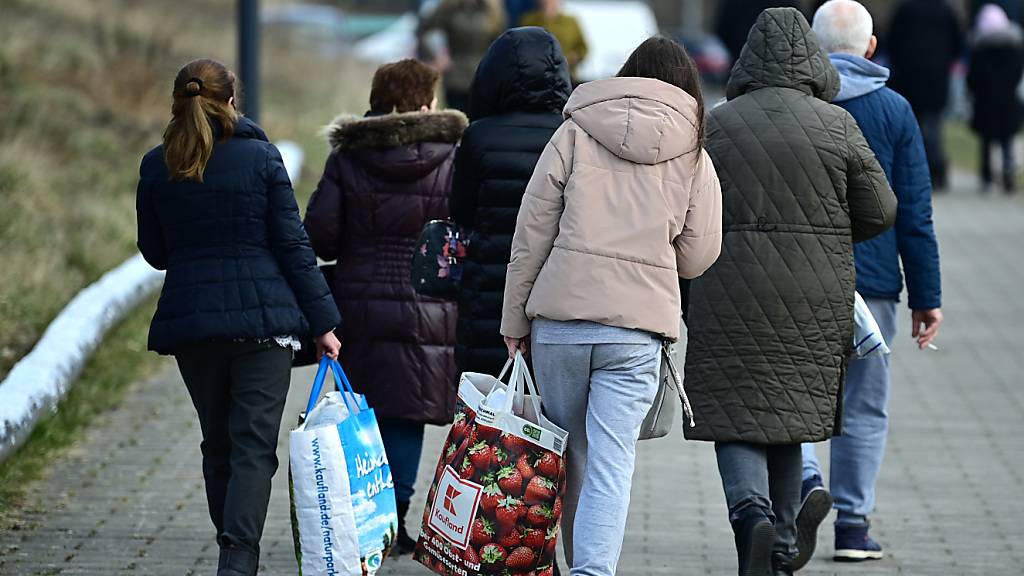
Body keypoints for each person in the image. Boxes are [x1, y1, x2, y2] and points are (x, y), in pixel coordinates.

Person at [683, 8, 898, 576]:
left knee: (735, 414)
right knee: (789, 414)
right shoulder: (838, 125)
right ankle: (779, 541)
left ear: (748, 61)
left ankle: (751, 516)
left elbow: (686, 208)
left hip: (725, 286)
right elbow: (882, 210)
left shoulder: (717, 124)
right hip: (814, 292)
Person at [501, 36, 723, 576]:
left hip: (561, 322)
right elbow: (696, 257)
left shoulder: (573, 132)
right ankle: (593, 571)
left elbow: (532, 233)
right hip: (637, 330)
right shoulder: (694, 151)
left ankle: (553, 561)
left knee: (565, 456)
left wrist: (514, 320)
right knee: (610, 461)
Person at [136, 59, 341, 576]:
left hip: (194, 326)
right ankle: (237, 558)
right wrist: (324, 323)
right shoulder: (262, 158)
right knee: (253, 445)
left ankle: (231, 545)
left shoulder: (158, 165)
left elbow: (155, 252)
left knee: (218, 442)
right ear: (232, 101)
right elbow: (293, 246)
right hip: (263, 328)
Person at [793, 1, 945, 567]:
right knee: (864, 408)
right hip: (874, 285)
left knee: (798, 395)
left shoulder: (799, 103)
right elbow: (915, 213)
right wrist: (927, 297)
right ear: (872, 48)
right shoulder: (896, 111)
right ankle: (853, 527)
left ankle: (805, 480)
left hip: (803, 278)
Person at [303, 59, 467, 555]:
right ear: (424, 102)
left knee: (362, 412)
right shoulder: (453, 156)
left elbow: (320, 235)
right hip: (429, 306)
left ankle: (362, 518)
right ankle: (394, 522)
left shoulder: (347, 158)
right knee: (407, 413)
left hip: (358, 302)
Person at [449, 27, 572, 374]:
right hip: (555, 292)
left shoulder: (479, 136)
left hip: (490, 296)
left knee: (487, 415)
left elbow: (459, 212)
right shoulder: (573, 134)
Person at [888, 0, 964, 190]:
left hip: (910, 77)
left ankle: (915, 174)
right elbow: (958, 44)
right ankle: (937, 171)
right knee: (935, 126)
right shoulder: (946, 11)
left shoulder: (906, 9)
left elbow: (893, 42)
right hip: (937, 77)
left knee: (914, 128)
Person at [967, 4, 1024, 193]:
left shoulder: (979, 49)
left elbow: (973, 78)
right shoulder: (1014, 47)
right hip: (1008, 102)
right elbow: (1017, 75)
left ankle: (987, 177)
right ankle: (1008, 173)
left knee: (986, 142)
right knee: (1007, 140)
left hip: (986, 102)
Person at [417, 0, 505, 112]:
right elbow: (425, 30)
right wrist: (437, 55)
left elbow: (500, 39)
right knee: (458, 120)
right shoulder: (449, 7)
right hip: (456, 74)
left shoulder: (493, 8)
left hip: (483, 73)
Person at [715, 0, 804, 65]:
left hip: (743, 63)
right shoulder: (787, 4)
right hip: (780, 66)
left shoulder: (733, 3)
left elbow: (722, 31)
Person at [519, 0, 589, 82]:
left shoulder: (571, 21)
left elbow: (583, 48)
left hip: (567, 74)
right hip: (538, 76)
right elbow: (523, 49)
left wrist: (572, 58)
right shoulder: (529, 20)